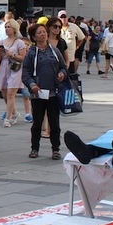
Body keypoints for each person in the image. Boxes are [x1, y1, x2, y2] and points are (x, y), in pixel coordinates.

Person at [21, 23, 68, 160]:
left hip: (53, 92)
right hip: (38, 93)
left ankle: (56, 149)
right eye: (39, 32)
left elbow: (63, 67)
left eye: (44, 32)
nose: (43, 34)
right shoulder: (31, 52)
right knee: (37, 122)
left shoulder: (54, 50)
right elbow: (26, 73)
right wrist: (32, 85)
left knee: (55, 123)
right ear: (34, 37)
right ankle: (34, 148)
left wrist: (62, 74)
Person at [0, 19, 27, 126]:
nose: (6, 29)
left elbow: (23, 57)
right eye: (5, 27)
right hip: (4, 66)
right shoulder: (2, 41)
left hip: (15, 68)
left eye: (9, 27)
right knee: (4, 91)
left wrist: (13, 55)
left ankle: (8, 118)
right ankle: (14, 112)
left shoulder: (20, 42)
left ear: (14, 29)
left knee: (11, 93)